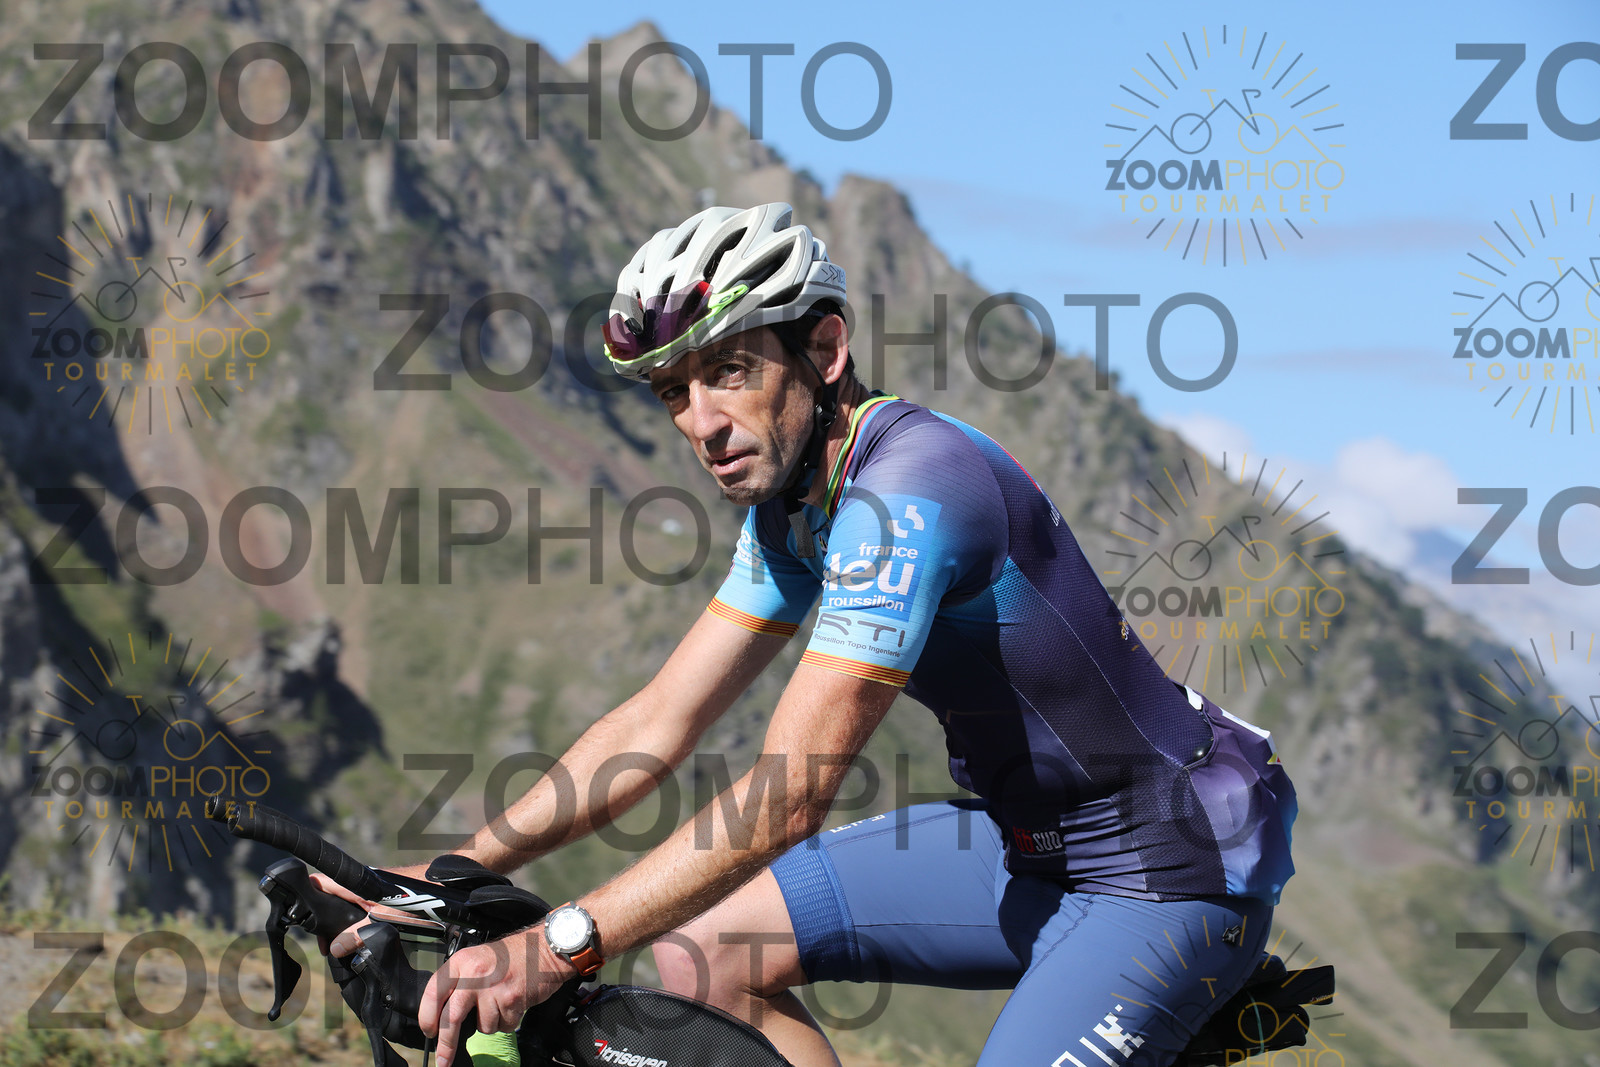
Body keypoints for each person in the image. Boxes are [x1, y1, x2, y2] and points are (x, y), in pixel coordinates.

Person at [324, 202, 1298, 1067]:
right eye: (673, 392)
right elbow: (658, 721)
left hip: (1164, 870)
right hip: (1027, 845)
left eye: (728, 371)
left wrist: (555, 946)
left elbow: (790, 794)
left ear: (824, 350)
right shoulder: (796, 512)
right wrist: (451, 871)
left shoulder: (911, 490)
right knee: (704, 954)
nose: (702, 422)